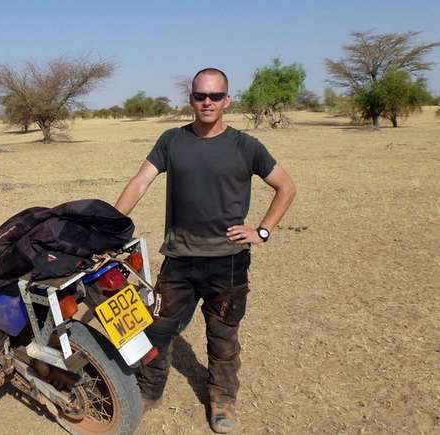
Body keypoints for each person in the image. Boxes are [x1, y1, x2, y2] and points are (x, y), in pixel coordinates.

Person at [114, 67, 296, 433]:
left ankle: (222, 401)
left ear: (227, 100)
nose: (208, 102)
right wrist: (110, 223)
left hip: (227, 263)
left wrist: (262, 231)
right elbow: (141, 181)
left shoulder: (246, 146)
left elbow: (286, 187)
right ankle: (150, 391)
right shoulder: (171, 141)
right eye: (201, 96)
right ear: (191, 99)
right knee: (156, 329)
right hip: (179, 260)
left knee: (223, 336)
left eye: (215, 96)